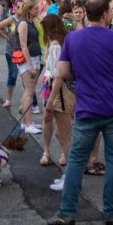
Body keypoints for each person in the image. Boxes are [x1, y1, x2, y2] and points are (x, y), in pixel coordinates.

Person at [46, 0, 113, 225]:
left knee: (77, 159)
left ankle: (66, 212)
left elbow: (63, 71)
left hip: (87, 107)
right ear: (107, 14)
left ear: (86, 13)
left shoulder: (73, 39)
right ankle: (111, 212)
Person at [0, 0, 42, 133]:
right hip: (27, 59)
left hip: (34, 58)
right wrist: (30, 65)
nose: (38, 11)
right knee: (29, 91)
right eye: (35, 9)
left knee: (30, 91)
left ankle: (29, 122)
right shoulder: (24, 23)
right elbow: (23, 45)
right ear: (29, 10)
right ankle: (27, 123)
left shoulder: (31, 21)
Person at [38, 14, 73, 167]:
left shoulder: (56, 45)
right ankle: (48, 151)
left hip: (57, 88)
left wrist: (51, 99)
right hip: (52, 84)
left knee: (62, 128)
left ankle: (65, 156)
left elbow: (59, 74)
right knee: (49, 118)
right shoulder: (55, 42)